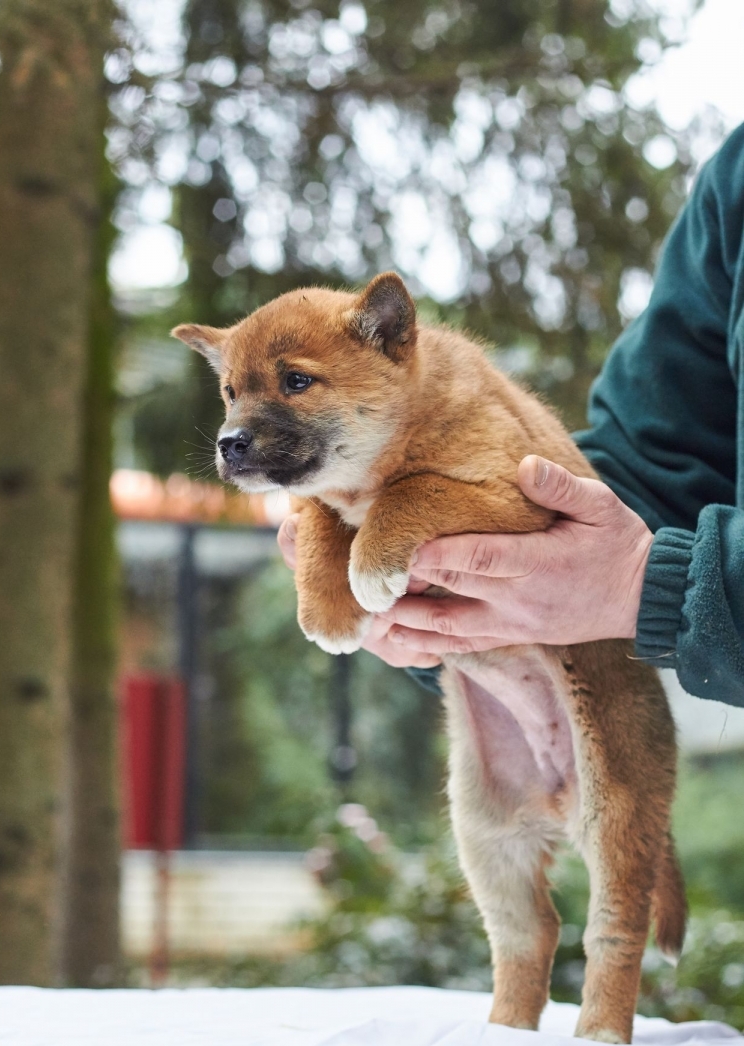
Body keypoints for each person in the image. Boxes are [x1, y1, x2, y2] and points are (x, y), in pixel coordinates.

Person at [278, 123, 744, 706]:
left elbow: (637, 570)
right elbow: (650, 464)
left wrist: (649, 585)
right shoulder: (736, 178)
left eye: (296, 383)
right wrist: (462, 604)